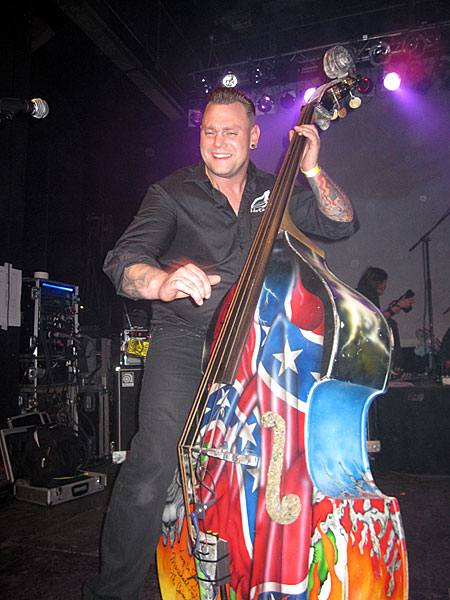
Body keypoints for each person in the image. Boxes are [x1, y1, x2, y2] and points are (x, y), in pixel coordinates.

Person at [83, 86, 358, 599]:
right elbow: (123, 261)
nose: (218, 141)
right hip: (185, 338)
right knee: (154, 458)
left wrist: (313, 170)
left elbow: (341, 223)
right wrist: (161, 281)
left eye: (231, 132)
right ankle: (111, 592)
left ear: (254, 137)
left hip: (261, 343)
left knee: (265, 462)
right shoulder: (172, 193)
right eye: (209, 131)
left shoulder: (276, 189)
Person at [356, 266, 415, 370]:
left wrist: (391, 309)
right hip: (367, 342)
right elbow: (375, 319)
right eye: (384, 282)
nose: (385, 286)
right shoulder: (369, 292)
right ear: (378, 282)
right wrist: (397, 307)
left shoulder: (361, 292)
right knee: (391, 324)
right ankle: (395, 367)